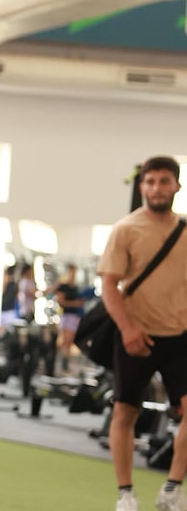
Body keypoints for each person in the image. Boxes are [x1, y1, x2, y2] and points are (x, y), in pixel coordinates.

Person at [97, 156, 187, 511]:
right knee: (125, 413)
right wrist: (128, 328)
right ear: (141, 186)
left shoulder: (184, 230)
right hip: (135, 336)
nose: (156, 188)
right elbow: (108, 285)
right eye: (150, 182)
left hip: (179, 336)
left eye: (164, 181)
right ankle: (126, 494)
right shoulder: (126, 229)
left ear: (176, 186)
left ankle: (172, 489)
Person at [52, 264, 86, 372]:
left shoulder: (75, 287)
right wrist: (74, 304)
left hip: (74, 316)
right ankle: (55, 359)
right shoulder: (64, 286)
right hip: (66, 316)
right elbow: (60, 301)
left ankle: (64, 363)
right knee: (64, 340)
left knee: (69, 341)